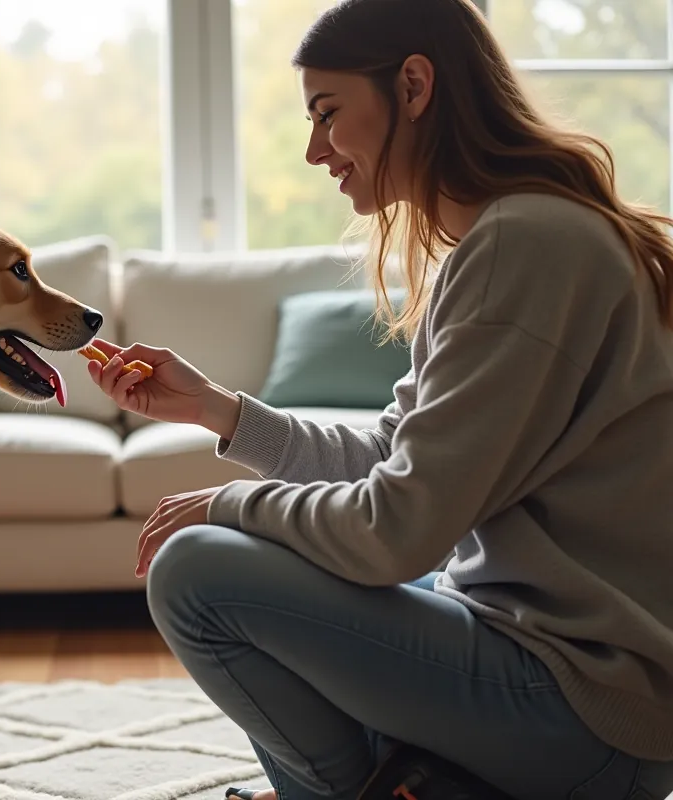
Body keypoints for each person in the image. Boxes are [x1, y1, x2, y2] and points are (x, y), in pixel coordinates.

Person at [85, 0, 673, 798]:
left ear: (415, 86)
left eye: (329, 114)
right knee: (298, 558)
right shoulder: (515, 237)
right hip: (566, 678)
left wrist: (228, 508)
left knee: (196, 571)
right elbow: (396, 463)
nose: (313, 151)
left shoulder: (525, 245)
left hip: (584, 709)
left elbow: (397, 533)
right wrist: (219, 411)